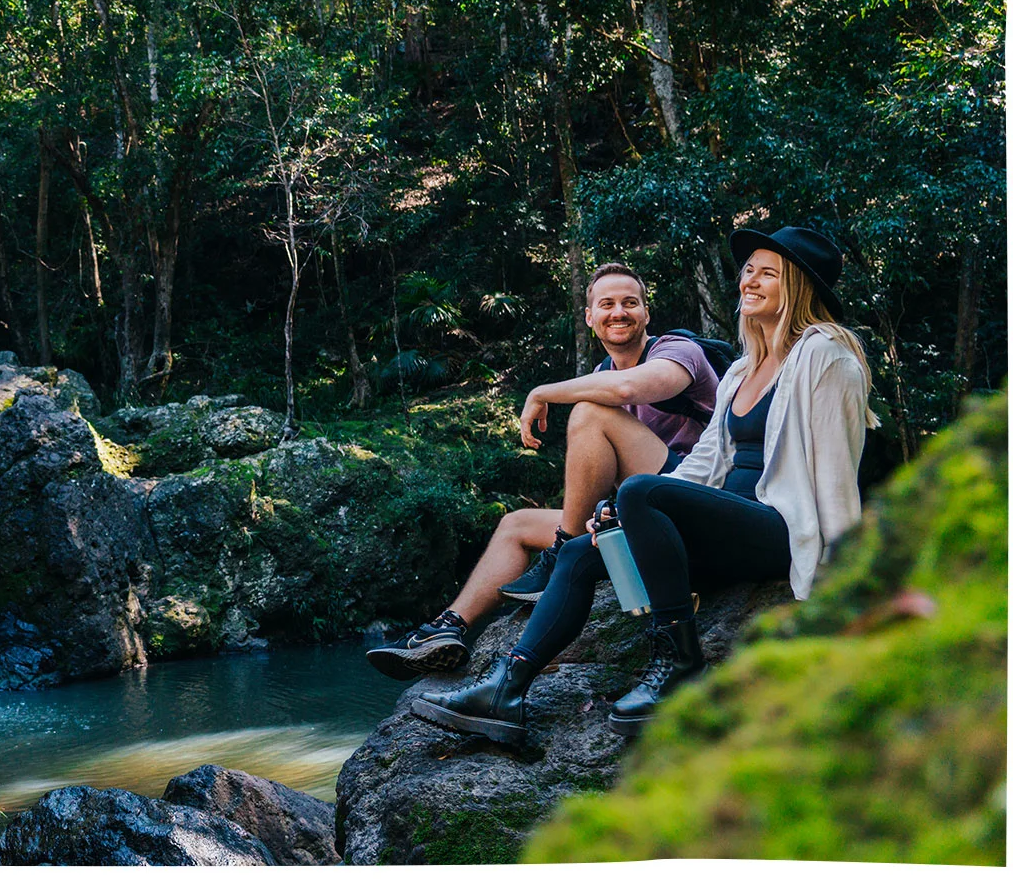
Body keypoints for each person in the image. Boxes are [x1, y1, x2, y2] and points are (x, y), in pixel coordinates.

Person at [410, 226, 874, 745]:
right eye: (748, 270)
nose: (750, 281)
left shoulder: (828, 357)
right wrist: (623, 515)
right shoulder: (744, 369)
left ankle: (679, 662)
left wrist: (848, 585)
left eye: (769, 273)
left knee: (639, 491)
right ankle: (506, 687)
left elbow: (838, 475)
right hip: (727, 521)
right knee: (586, 548)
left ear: (799, 287)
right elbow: (703, 463)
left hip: (779, 528)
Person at [365, 262, 720, 680]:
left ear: (646, 312)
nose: (618, 312)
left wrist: (540, 392)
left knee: (590, 412)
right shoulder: (600, 377)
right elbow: (603, 468)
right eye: (606, 304)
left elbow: (629, 389)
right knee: (516, 525)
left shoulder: (678, 351)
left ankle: (561, 551)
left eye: (630, 303)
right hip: (641, 511)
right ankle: (447, 629)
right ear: (590, 318)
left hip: (696, 495)